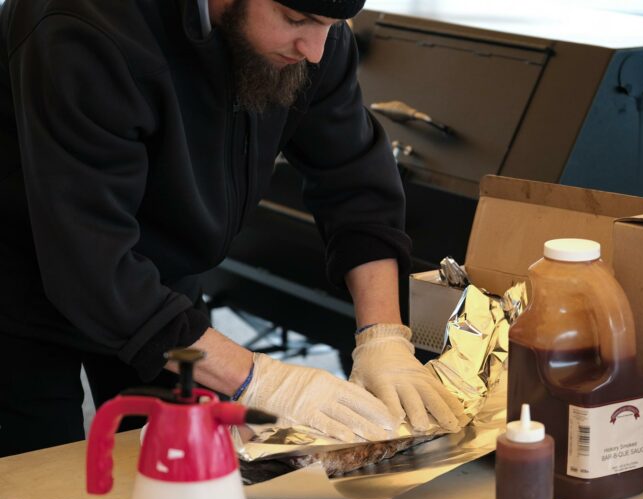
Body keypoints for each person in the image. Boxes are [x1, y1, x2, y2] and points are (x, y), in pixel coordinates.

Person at [0, 0, 467, 457]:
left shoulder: (315, 37)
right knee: (33, 481)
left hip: (160, 286)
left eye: (332, 25)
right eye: (296, 19)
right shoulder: (82, 23)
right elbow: (88, 259)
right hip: (23, 281)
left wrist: (383, 337)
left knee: (186, 469)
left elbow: (354, 181)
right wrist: (259, 379)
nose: (316, 49)